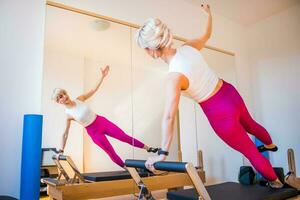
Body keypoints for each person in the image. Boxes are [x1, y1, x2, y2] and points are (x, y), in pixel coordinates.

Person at [135, 4, 282, 188]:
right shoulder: (187, 47)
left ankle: (276, 182)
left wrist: (162, 153)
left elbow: (169, 116)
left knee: (250, 150)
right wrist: (209, 15)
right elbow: (206, 35)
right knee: (251, 125)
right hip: (230, 93)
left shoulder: (174, 77)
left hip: (219, 113)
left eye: (145, 49)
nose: (146, 52)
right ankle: (269, 145)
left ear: (151, 48)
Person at [52, 65, 158, 168]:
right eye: (60, 96)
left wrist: (102, 76)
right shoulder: (68, 115)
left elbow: (93, 90)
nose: (64, 96)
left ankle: (148, 148)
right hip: (94, 132)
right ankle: (128, 169)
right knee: (110, 152)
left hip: (102, 122)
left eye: (64, 93)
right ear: (58, 101)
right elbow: (65, 134)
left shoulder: (79, 99)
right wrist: (61, 150)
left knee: (123, 136)